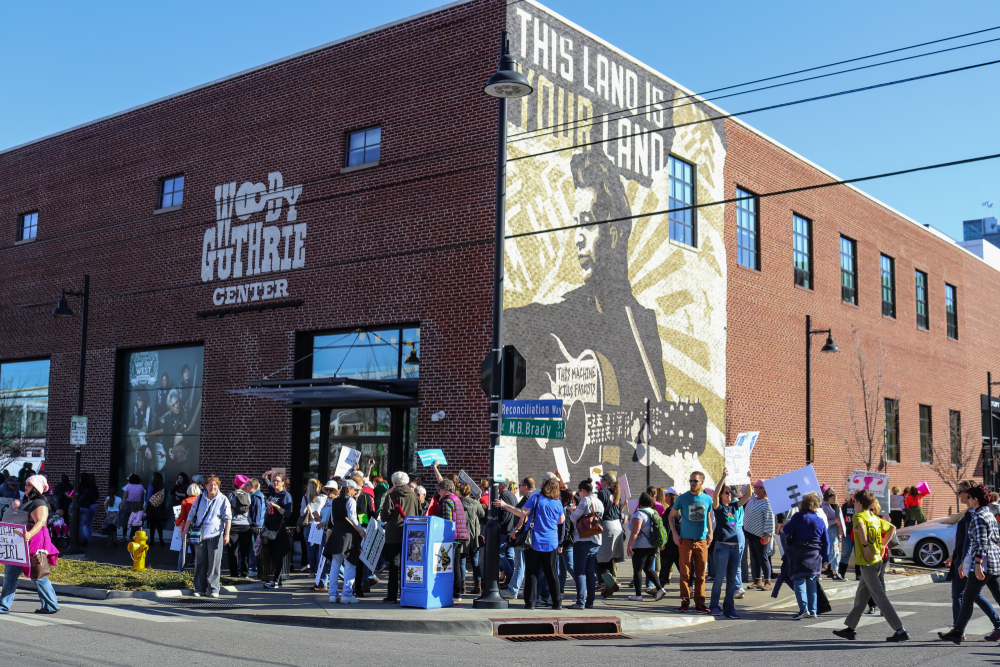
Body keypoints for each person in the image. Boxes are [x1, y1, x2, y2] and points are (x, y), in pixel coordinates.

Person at [832, 489, 908, 642]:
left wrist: (866, 546)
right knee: (861, 598)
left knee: (880, 599)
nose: (853, 504)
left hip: (868, 563)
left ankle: (900, 631)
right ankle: (850, 629)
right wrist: (882, 546)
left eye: (854, 502)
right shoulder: (874, 517)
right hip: (877, 561)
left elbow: (860, 527)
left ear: (859, 503)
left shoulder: (858, 516)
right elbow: (892, 528)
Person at [941, 481, 1000, 641]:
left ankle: (958, 631)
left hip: (984, 562)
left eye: (970, 496)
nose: (968, 498)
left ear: (975, 499)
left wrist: (978, 565)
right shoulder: (989, 513)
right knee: (996, 595)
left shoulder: (978, 516)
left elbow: (981, 542)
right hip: (994, 560)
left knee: (967, 597)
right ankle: (959, 631)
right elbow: (995, 538)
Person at [497, 477, 565, 610]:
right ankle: (557, 603)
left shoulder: (536, 499)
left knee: (531, 572)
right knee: (551, 573)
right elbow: (561, 521)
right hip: (551, 542)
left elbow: (522, 513)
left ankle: (530, 603)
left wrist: (505, 505)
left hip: (534, 542)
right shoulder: (558, 503)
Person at [0, 475, 60, 615]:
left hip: (32, 543)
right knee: (10, 575)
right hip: (20, 542)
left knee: (38, 574)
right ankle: (3, 606)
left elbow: (40, 522)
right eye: (26, 484)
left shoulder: (39, 503)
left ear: (36, 488)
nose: (25, 487)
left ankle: (51, 605)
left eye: (28, 485)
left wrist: (30, 534)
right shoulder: (28, 501)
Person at [669, 470, 714, 613]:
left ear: (702, 482)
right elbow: (671, 516)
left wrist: (710, 532)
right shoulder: (682, 498)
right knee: (685, 573)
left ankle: (700, 603)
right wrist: (675, 534)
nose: (692, 483)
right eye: (691, 481)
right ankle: (685, 601)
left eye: (695, 481)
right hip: (685, 540)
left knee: (701, 574)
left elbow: (708, 516)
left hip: (701, 541)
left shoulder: (707, 499)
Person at [710, 469, 751, 618]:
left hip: (734, 548)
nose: (729, 495)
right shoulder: (719, 508)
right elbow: (714, 495)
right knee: (719, 579)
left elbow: (748, 495)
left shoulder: (734, 507)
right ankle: (714, 605)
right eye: (726, 493)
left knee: (732, 581)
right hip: (722, 548)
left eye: (731, 493)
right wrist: (723, 478)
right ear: (721, 495)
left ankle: (729, 608)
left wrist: (747, 478)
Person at [783, 492, 830, 620]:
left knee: (799, 582)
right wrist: (826, 559)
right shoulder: (819, 520)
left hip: (798, 554)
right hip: (815, 555)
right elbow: (826, 541)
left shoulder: (798, 517)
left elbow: (786, 530)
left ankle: (803, 609)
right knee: (812, 583)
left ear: (803, 503)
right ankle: (813, 610)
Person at [183, 476, 232, 598]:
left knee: (214, 563)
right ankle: (199, 588)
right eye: (210, 485)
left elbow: (228, 518)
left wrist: (226, 534)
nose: (213, 487)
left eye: (215, 485)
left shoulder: (223, 499)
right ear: (205, 486)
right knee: (200, 562)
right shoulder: (200, 498)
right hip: (200, 534)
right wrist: (185, 531)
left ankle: (213, 589)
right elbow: (191, 515)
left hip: (215, 534)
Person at [378, 472, 420, 602]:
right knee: (408, 565)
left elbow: (385, 515)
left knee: (394, 565)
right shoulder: (414, 495)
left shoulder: (392, 495)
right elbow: (420, 513)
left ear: (395, 482)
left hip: (394, 534)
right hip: (411, 534)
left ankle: (392, 596)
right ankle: (406, 594)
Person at [323, 479, 366, 604]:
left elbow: (332, 519)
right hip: (348, 534)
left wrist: (330, 530)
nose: (355, 491)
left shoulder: (334, 501)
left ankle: (332, 594)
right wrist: (361, 531)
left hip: (336, 533)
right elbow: (352, 518)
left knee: (335, 564)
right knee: (350, 564)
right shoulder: (350, 500)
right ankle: (346, 594)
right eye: (354, 489)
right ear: (349, 489)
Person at [569, 479, 605, 609]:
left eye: (579, 492)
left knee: (579, 571)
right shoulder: (599, 502)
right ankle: (590, 601)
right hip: (596, 540)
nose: (579, 494)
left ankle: (580, 601)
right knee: (590, 572)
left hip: (583, 539)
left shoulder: (585, 500)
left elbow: (573, 518)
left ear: (583, 490)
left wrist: (572, 510)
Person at [431, 480, 468, 599]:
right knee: (456, 564)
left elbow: (448, 522)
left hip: (452, 536)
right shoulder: (457, 499)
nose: (438, 492)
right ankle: (458, 593)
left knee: (449, 565)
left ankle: (452, 592)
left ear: (445, 489)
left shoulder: (447, 501)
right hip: (460, 535)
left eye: (439, 490)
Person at [627, 492, 666, 602]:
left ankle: (638, 595)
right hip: (652, 545)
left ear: (640, 502)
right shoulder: (654, 512)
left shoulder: (639, 514)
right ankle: (660, 588)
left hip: (640, 546)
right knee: (649, 569)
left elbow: (635, 532)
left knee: (637, 570)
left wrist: (629, 546)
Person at [500, 478, 534, 601]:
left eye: (520, 485)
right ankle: (523, 591)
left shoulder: (528, 498)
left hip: (523, 535)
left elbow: (523, 516)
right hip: (529, 535)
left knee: (520, 564)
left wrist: (517, 530)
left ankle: (513, 590)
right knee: (523, 564)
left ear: (525, 487)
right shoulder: (534, 496)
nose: (518, 488)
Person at [595, 472, 627, 598]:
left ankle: (611, 583)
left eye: (602, 480)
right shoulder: (616, 495)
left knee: (599, 559)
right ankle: (609, 586)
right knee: (609, 558)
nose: (600, 482)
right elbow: (619, 513)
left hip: (607, 526)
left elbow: (597, 510)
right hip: (617, 526)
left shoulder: (602, 494)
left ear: (606, 482)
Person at [260, 472, 294, 589]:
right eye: (274, 480)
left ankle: (275, 581)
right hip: (269, 528)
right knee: (271, 554)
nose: (275, 482)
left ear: (283, 483)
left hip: (278, 530)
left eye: (277, 481)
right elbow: (264, 479)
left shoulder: (286, 496)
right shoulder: (273, 492)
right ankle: (277, 580)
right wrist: (267, 475)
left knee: (278, 554)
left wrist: (276, 506)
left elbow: (288, 514)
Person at [744, 479, 775, 591]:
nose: (754, 488)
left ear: (763, 489)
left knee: (763, 558)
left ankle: (768, 581)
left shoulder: (767, 503)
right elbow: (744, 488)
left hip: (761, 535)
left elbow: (770, 520)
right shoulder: (752, 497)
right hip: (751, 533)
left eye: (756, 487)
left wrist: (767, 535)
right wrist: (747, 478)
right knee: (754, 558)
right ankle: (757, 580)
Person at [312, 480, 340, 591]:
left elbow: (334, 520)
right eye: (327, 490)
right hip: (323, 532)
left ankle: (348, 577)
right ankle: (322, 582)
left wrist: (323, 523)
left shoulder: (336, 502)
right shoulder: (328, 501)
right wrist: (319, 519)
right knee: (322, 558)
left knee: (330, 559)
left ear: (335, 491)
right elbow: (326, 517)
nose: (328, 492)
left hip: (330, 533)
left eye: (330, 490)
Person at [458, 482, 486, 596]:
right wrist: (478, 502)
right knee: (475, 561)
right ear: (470, 492)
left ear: (460, 492)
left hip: (461, 534)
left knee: (462, 561)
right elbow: (482, 514)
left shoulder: (457, 503)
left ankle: (462, 586)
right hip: (474, 534)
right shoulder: (475, 503)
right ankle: (478, 586)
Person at [296, 478, 326, 575]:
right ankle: (319, 569)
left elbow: (302, 512)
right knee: (318, 549)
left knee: (310, 550)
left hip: (309, 525)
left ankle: (312, 570)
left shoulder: (305, 498)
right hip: (320, 525)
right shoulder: (323, 498)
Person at [227, 475, 254, 578]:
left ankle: (234, 574)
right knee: (245, 551)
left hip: (233, 525)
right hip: (246, 525)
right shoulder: (248, 496)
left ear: (234, 484)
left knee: (232, 551)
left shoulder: (230, 496)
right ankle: (245, 573)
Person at [496, 480, 520, 589]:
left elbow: (504, 513)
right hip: (511, 529)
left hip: (505, 530)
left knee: (500, 553)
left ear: (501, 485)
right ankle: (511, 579)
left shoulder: (504, 495)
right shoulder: (512, 495)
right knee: (509, 554)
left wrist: (499, 524)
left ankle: (510, 575)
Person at [175, 483, 201, 570]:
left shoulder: (185, 501)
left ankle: (180, 568)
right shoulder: (202, 500)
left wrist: (177, 522)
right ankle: (199, 570)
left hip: (187, 527)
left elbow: (182, 515)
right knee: (198, 549)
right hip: (199, 527)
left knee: (183, 549)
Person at [821, 489, 845, 581]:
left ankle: (835, 572)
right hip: (829, 531)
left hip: (834, 531)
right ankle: (825, 568)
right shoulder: (825, 508)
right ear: (828, 498)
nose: (834, 499)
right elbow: (824, 521)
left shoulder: (831, 506)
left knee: (836, 552)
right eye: (832, 497)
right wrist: (834, 521)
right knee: (833, 552)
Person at [247, 478, 266, 577]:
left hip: (256, 527)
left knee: (254, 547)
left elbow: (257, 513)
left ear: (252, 486)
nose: (245, 487)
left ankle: (253, 568)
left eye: (247, 485)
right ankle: (254, 567)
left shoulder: (256, 497)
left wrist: (254, 525)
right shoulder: (256, 496)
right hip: (257, 526)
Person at [145, 472, 169, 547]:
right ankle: (161, 539)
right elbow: (166, 494)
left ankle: (152, 541)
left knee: (152, 525)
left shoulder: (151, 486)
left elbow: (148, 498)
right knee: (159, 525)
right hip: (160, 507)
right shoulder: (164, 487)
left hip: (152, 508)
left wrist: (145, 508)